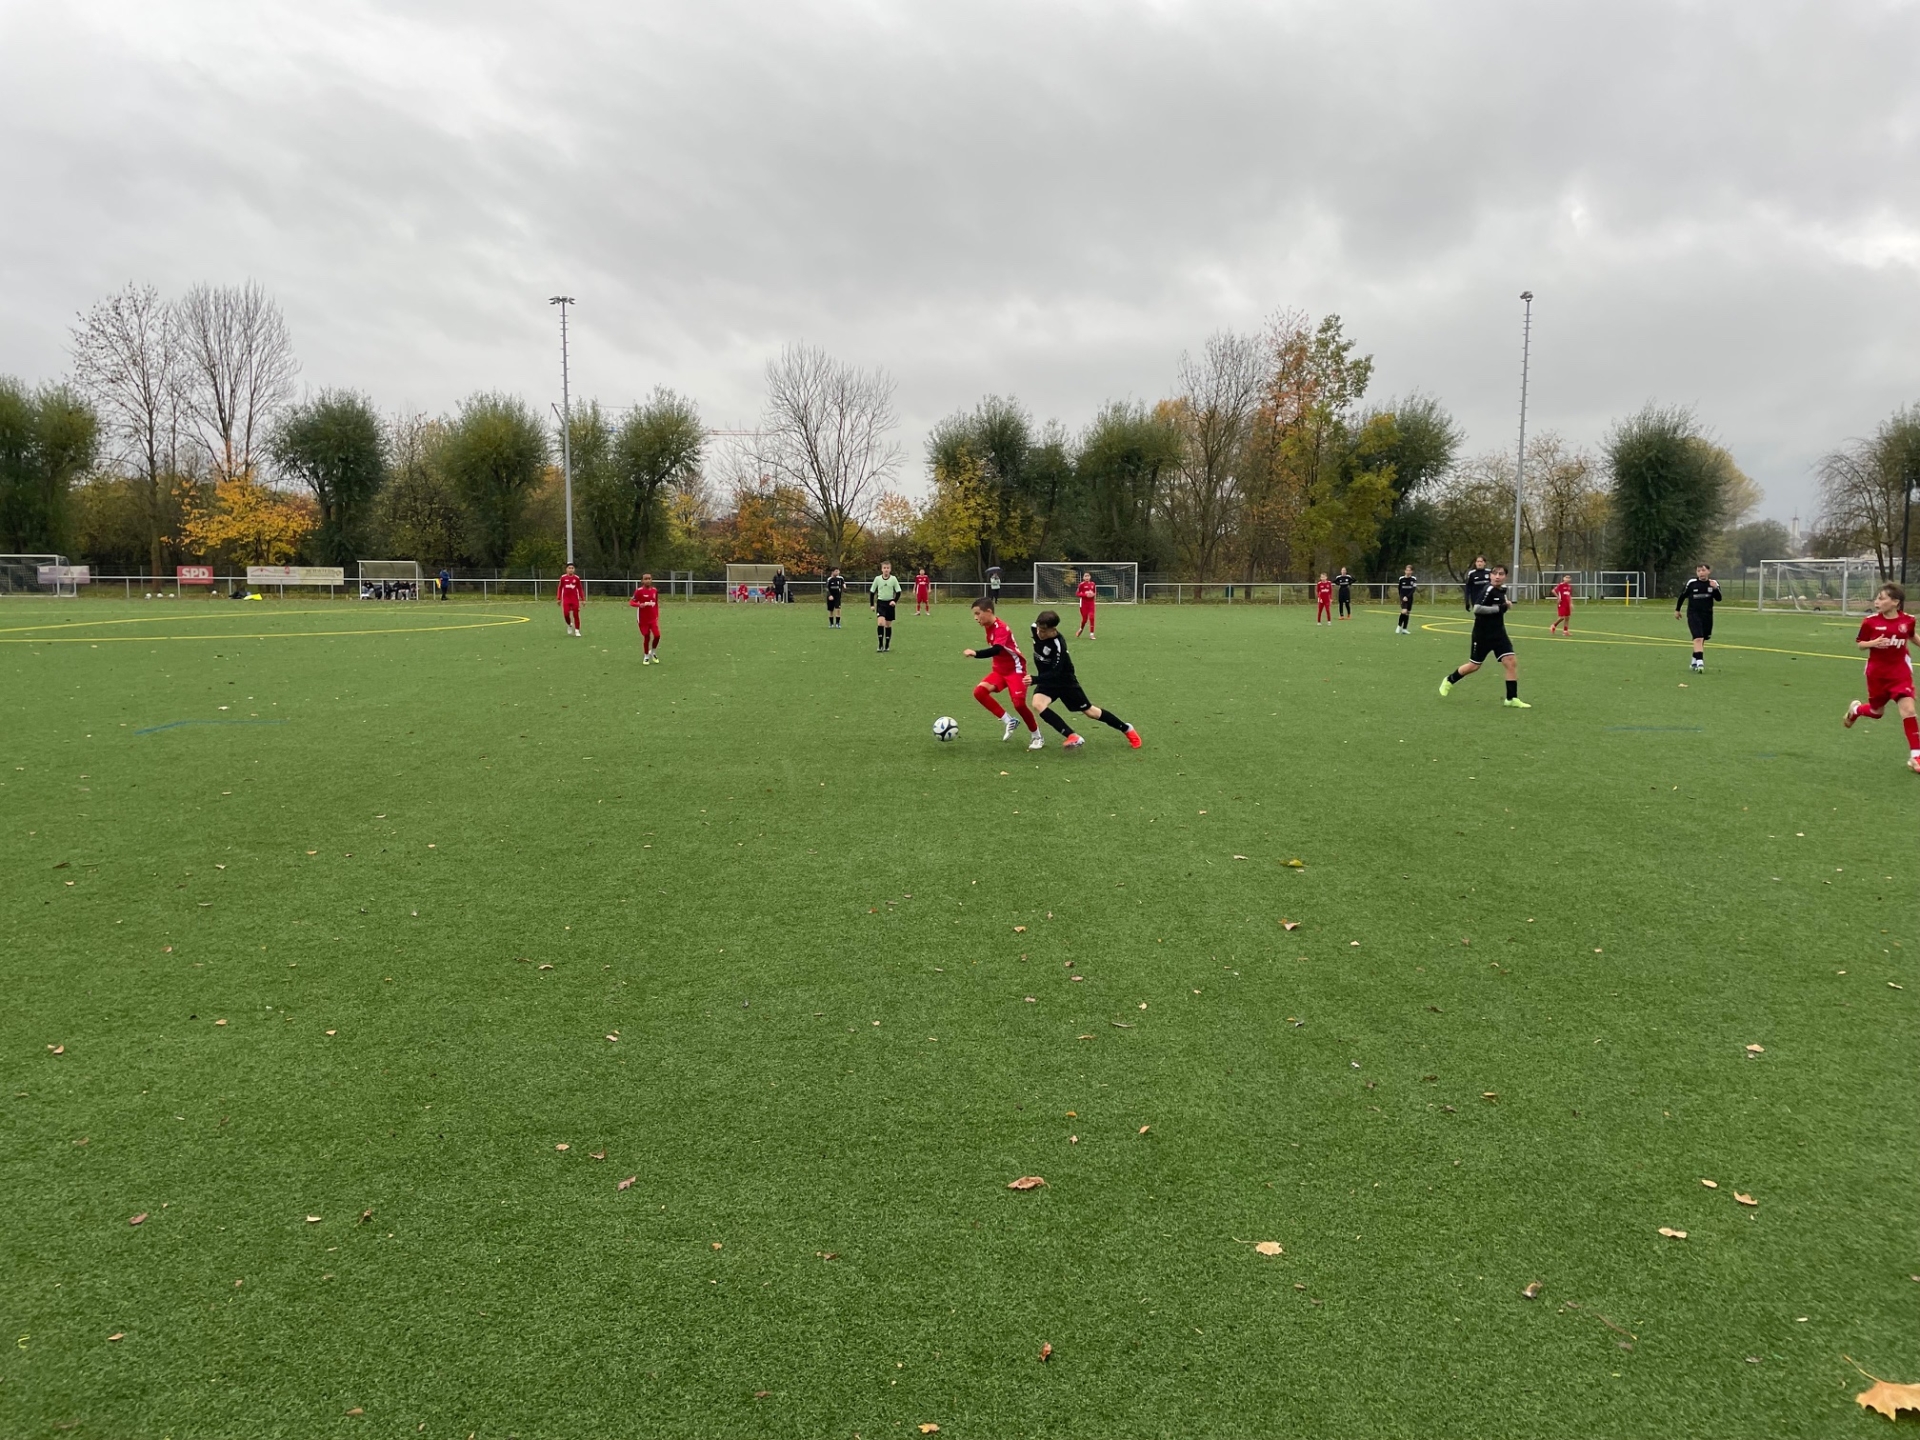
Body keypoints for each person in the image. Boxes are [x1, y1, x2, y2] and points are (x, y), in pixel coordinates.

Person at [1025, 610, 1141, 752]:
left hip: (1065, 682)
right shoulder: (1035, 628)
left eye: (1044, 631)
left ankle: (1127, 729)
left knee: (1090, 712)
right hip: (1047, 681)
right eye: (1038, 629)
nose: (1039, 633)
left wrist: (1035, 679)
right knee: (1038, 703)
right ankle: (1072, 736)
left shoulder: (1058, 645)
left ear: (1053, 629)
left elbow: (1056, 672)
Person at [1843, 582, 1919, 772]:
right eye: (1877, 598)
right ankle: (1856, 710)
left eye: (1881, 598)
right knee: (1876, 712)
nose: (1877, 602)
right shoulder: (1870, 622)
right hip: (1877, 674)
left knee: (1909, 710)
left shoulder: (1908, 620)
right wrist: (1873, 643)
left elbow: (1911, 636)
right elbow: (1860, 644)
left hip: (1900, 673)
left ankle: (1916, 756)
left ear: (1895, 602)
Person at [1440, 563, 1529, 707]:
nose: (1497, 576)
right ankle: (1449, 680)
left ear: (1505, 577)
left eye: (1501, 574)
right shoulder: (1488, 589)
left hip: (1499, 634)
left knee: (1510, 661)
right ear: (1490, 576)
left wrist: (1505, 605)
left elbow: (1500, 608)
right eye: (1495, 574)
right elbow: (1477, 608)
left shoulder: (1502, 590)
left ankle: (1511, 698)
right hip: (1483, 635)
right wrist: (1500, 607)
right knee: (1474, 666)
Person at [963, 597, 1039, 742]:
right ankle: (1009, 721)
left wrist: (976, 653)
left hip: (1015, 670)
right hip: (999, 671)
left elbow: (997, 649)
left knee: (1019, 704)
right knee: (979, 692)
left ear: (988, 611)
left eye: (978, 613)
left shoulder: (1001, 628)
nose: (975, 618)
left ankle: (1036, 735)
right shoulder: (988, 626)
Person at [1675, 564, 1721, 671]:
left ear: (1708, 571)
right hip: (1693, 614)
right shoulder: (1691, 583)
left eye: (1703, 570)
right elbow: (1682, 596)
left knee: (1702, 638)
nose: (1701, 573)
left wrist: (1715, 588)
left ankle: (1694, 661)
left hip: (1707, 615)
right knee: (1698, 638)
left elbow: (1719, 599)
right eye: (1699, 571)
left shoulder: (1713, 583)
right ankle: (1700, 663)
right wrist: (1677, 610)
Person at [629, 572, 662, 663]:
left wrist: (656, 614)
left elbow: (656, 603)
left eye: (649, 579)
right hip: (643, 619)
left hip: (652, 618)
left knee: (657, 635)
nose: (647, 580)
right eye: (645, 579)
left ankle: (653, 652)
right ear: (642, 581)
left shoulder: (654, 590)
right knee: (646, 636)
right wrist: (639, 605)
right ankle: (646, 655)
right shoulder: (639, 591)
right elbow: (631, 602)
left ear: (651, 580)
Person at [870, 561, 903, 652]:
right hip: (881, 603)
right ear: (882, 569)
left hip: (890, 604)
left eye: (888, 568)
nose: (886, 570)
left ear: (890, 569)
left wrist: (894, 601)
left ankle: (887, 645)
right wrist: (872, 604)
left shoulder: (893, 579)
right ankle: (880, 644)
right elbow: (872, 592)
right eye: (884, 568)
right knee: (880, 623)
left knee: (888, 625)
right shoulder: (877, 579)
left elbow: (898, 592)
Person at [558, 563, 585, 636]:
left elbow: (580, 589)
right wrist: (559, 598)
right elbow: (560, 588)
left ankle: (577, 630)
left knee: (576, 614)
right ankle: (569, 624)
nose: (571, 570)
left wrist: (583, 599)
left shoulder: (576, 578)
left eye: (572, 568)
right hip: (566, 599)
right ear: (566, 569)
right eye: (569, 568)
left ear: (574, 569)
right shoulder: (563, 578)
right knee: (566, 614)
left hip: (575, 599)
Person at [1075, 570, 1099, 638]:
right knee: (1084, 619)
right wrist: (1086, 595)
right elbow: (1077, 594)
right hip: (1083, 604)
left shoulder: (1093, 584)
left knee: (1092, 617)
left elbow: (1094, 593)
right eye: (1085, 576)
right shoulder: (1081, 585)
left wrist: (1092, 595)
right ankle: (1081, 629)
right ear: (1083, 577)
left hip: (1091, 603)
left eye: (1088, 576)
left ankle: (1092, 634)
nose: (1087, 577)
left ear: (1090, 577)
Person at [1396, 565, 1417, 634]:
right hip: (1403, 598)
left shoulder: (1413, 579)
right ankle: (1399, 626)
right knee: (1404, 611)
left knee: (1407, 613)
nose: (1408, 572)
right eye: (1407, 570)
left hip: (1410, 598)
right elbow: (1399, 589)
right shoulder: (1401, 579)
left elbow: (1413, 589)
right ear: (1405, 571)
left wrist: (1407, 596)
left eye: (1409, 570)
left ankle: (1404, 629)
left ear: (1411, 571)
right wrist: (1402, 597)